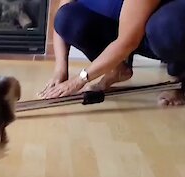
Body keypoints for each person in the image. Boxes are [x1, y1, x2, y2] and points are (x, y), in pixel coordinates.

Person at [38, 0, 185, 106]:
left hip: (165, 28)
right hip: (128, 26)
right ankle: (117, 69)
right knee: (67, 17)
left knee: (166, 27)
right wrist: (60, 70)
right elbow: (62, 14)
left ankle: (181, 78)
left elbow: (127, 42)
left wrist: (79, 80)